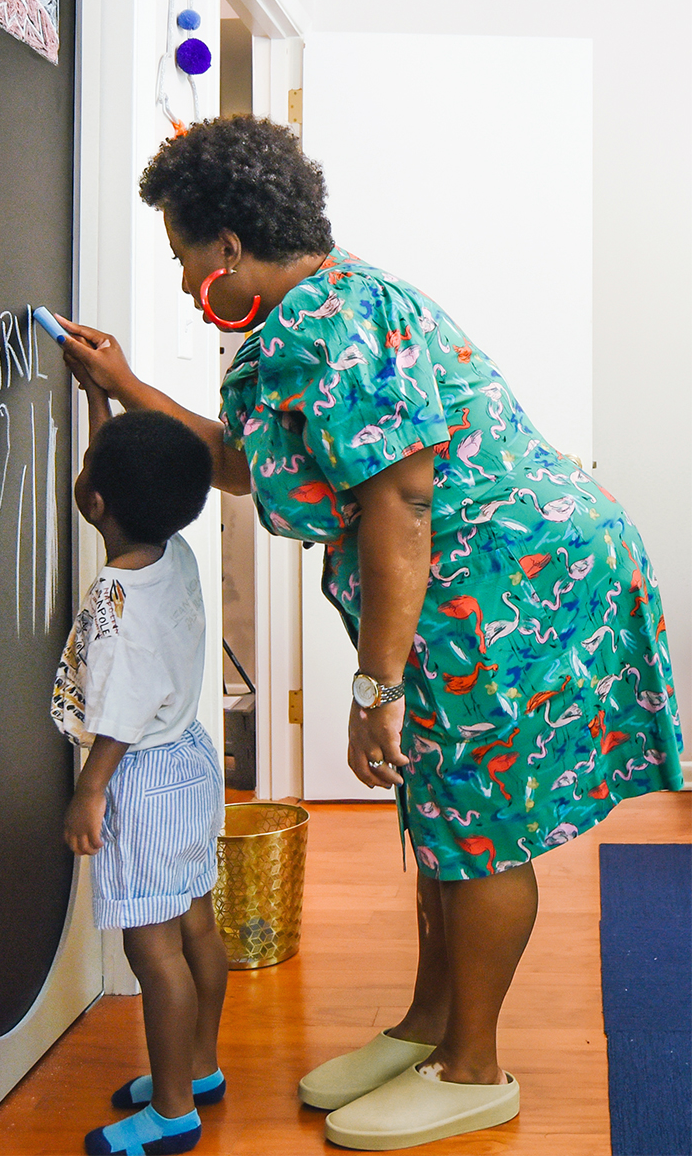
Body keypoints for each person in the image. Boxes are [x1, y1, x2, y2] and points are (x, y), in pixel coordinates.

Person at [58, 114, 683, 1152]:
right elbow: (247, 465)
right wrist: (125, 388)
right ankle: (431, 1024)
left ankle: (476, 1069)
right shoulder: (311, 315)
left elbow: (401, 505)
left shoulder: (335, 326)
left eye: (181, 258)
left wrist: (374, 689)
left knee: (481, 822)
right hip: (467, 575)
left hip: (514, 576)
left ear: (226, 248)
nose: (181, 286)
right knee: (442, 801)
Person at [55, 387, 227, 1156]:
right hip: (187, 759)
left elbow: (118, 714)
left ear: (95, 500)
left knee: (150, 950)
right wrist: (99, 402)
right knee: (195, 922)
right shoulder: (170, 551)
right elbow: (121, 492)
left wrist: (89, 792)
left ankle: (171, 1110)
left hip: (139, 774)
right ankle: (199, 1066)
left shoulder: (113, 599)